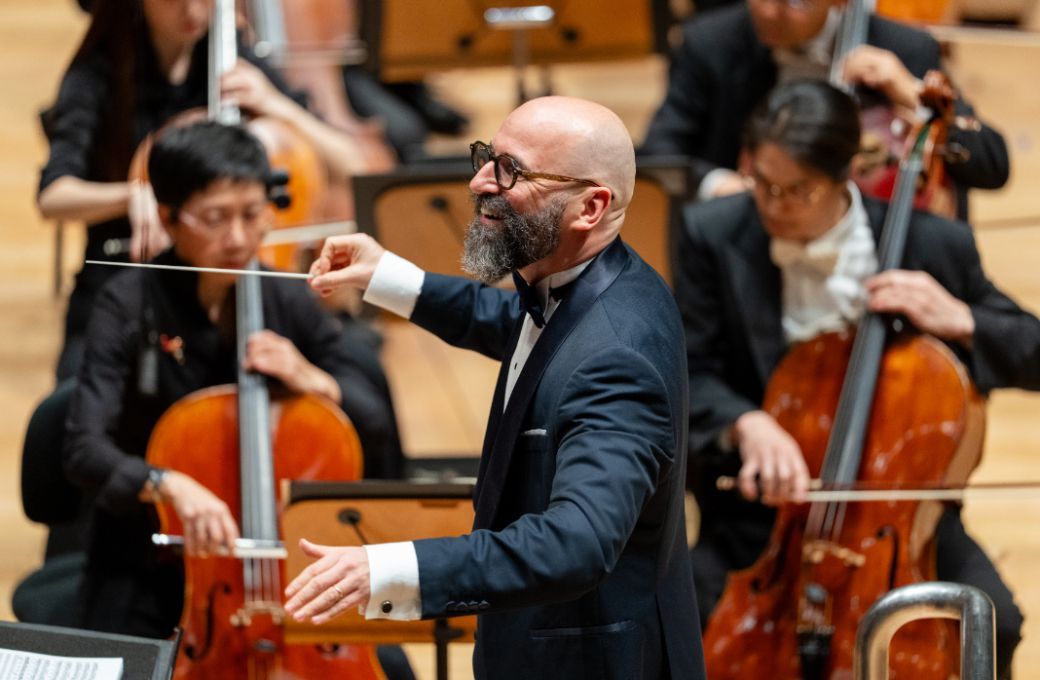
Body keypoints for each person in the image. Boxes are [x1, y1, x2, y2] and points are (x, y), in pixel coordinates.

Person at [283, 96, 705, 680]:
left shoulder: (616, 358)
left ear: (590, 206)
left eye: (513, 171)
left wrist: (395, 568)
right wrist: (390, 277)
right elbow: (516, 326)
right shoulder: (591, 283)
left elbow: (575, 543)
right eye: (487, 157)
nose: (482, 181)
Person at [675, 79, 1040, 678]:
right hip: (762, 528)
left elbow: (1033, 351)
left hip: (899, 523)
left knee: (994, 620)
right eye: (762, 184)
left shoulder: (932, 244)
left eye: (797, 190)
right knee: (681, 629)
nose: (773, 205)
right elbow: (687, 368)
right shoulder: (713, 233)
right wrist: (746, 424)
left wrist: (962, 318)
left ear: (846, 171)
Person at [61, 121, 404, 644]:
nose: (239, 238)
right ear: (170, 218)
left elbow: (373, 421)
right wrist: (166, 482)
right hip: (149, 556)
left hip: (279, 562)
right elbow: (83, 449)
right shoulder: (127, 303)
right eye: (215, 219)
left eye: (252, 214)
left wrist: (312, 379)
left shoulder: (283, 298)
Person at [37, 0, 372, 381]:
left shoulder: (230, 54)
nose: (193, 12)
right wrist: (134, 194)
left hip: (239, 282)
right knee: (76, 398)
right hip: (129, 274)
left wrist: (275, 104)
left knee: (359, 374)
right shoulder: (100, 70)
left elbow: (352, 164)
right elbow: (52, 197)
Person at [641, 0, 1009, 219]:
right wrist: (720, 185)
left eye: (795, 2)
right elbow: (660, 153)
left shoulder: (904, 48)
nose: (769, 11)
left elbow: (992, 166)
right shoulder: (709, 42)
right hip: (752, 239)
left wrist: (911, 92)